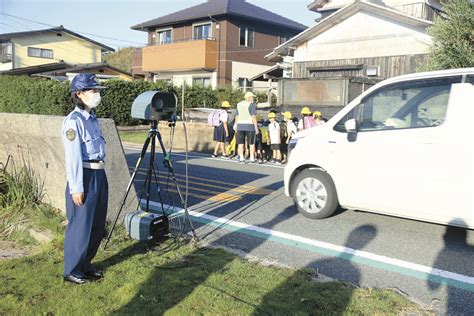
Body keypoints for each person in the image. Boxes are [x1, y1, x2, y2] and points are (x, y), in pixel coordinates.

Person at [61, 73, 108, 284]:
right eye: (93, 90)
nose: (97, 94)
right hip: (85, 175)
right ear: (79, 93)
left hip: (99, 173)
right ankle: (72, 269)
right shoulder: (73, 122)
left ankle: (86, 265)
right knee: (80, 225)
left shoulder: (92, 118)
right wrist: (76, 187)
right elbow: (73, 157)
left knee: (96, 225)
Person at [235, 91, 259, 163]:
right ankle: (252, 158)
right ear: (248, 97)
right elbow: (253, 116)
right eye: (252, 97)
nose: (253, 99)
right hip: (250, 125)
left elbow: (237, 116)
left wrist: (236, 125)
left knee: (240, 143)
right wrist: (256, 127)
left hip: (240, 125)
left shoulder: (239, 104)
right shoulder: (251, 105)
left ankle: (241, 157)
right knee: (251, 143)